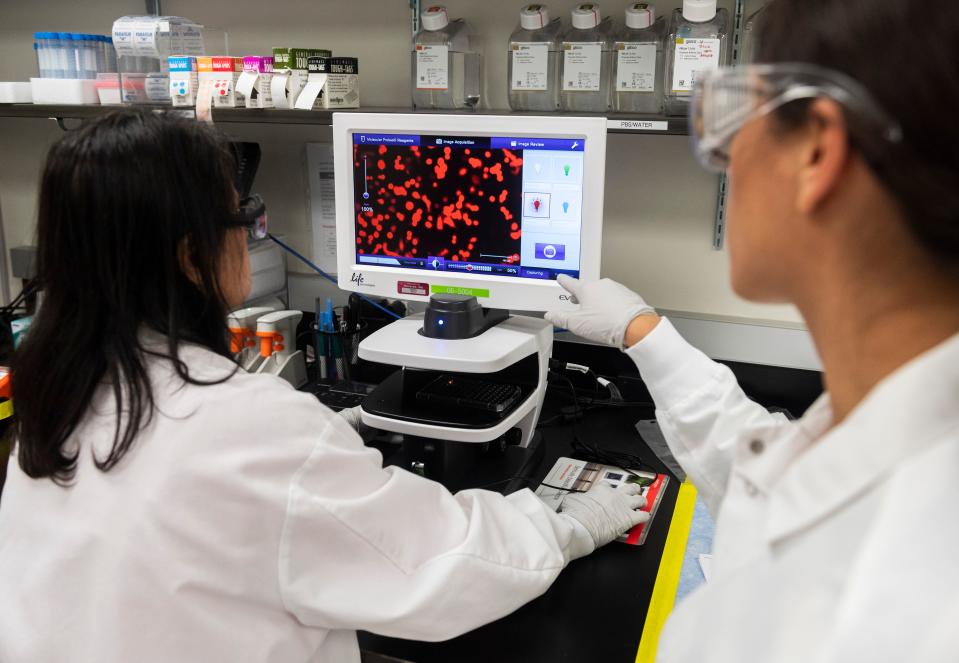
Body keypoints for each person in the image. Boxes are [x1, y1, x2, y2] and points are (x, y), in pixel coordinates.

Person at [0, 110, 649, 663]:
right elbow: (442, 565)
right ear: (190, 256)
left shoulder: (53, 399)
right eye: (244, 212)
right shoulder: (243, 427)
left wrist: (317, 448)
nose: (252, 229)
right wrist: (568, 524)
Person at [546, 0, 959, 660]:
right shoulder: (897, 416)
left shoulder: (883, 612)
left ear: (815, 151)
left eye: (740, 116)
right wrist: (643, 333)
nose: (726, 155)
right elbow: (779, 480)